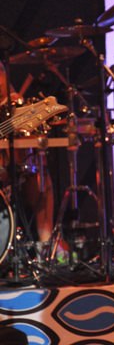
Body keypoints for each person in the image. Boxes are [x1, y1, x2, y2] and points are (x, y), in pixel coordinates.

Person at [0, 61, 54, 244]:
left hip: (12, 165)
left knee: (42, 182)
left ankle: (45, 244)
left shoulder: (10, 103)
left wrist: (16, 107)